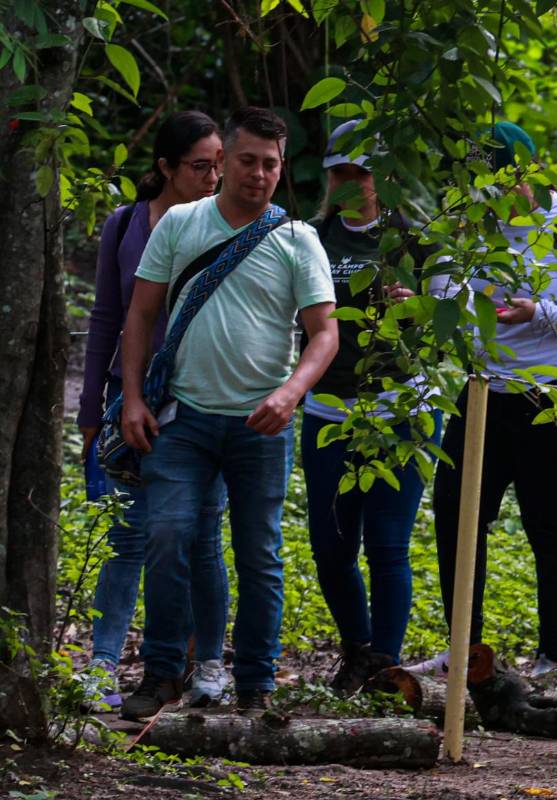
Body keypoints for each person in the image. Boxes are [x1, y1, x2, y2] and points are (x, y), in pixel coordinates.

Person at [118, 107, 338, 717]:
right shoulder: (180, 224)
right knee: (166, 536)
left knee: (259, 552)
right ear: (223, 161)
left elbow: (324, 334)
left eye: (271, 164)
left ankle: (255, 682)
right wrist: (133, 398)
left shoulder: (297, 239)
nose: (259, 173)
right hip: (182, 418)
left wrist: (291, 392)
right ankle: (161, 674)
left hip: (259, 425)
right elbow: (139, 315)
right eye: (247, 161)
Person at [422, 121, 557, 679]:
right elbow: (447, 294)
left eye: (497, 182)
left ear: (526, 174)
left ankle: (554, 657)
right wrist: (431, 307)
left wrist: (539, 312)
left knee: (554, 522)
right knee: (457, 513)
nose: (487, 195)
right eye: (478, 184)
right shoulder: (465, 225)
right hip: (486, 388)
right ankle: (463, 646)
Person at [76, 111, 232, 710]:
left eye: (219, 163)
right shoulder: (125, 226)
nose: (213, 176)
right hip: (132, 399)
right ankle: (101, 665)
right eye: (200, 166)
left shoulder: (228, 226)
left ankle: (204, 663)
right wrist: (95, 407)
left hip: (201, 404)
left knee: (199, 536)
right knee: (126, 538)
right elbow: (107, 319)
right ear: (165, 167)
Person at [302, 120, 442, 695]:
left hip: (401, 408)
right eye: (339, 172)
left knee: (388, 546)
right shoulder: (308, 238)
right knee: (331, 545)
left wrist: (421, 305)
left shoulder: (415, 240)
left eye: (360, 172)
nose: (349, 182)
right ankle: (356, 650)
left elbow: (451, 323)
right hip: (330, 409)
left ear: (382, 177)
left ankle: (386, 663)